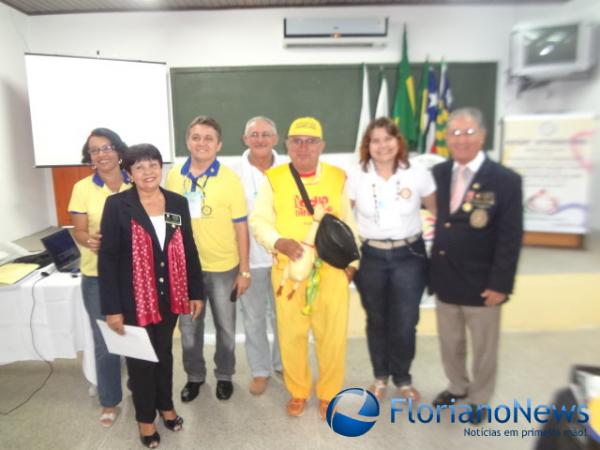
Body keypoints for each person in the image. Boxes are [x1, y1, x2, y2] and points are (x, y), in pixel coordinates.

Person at [250, 116, 360, 419]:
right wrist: (279, 242)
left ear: (322, 145)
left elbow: (349, 223)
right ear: (287, 145)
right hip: (289, 272)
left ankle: (328, 394)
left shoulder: (338, 177)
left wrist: (352, 264)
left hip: (332, 271)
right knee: (291, 334)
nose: (303, 147)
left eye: (311, 141)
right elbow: (258, 221)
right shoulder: (274, 178)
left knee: (332, 336)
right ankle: (298, 391)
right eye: (296, 140)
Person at [98, 144, 204, 448]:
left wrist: (195, 292)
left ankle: (166, 406)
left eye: (153, 165)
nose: (148, 172)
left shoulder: (177, 203)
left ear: (162, 168)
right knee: (141, 361)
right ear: (129, 172)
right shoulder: (117, 205)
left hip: (170, 295)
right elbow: (108, 259)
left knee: (164, 355)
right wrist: (113, 308)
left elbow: (189, 249)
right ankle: (146, 419)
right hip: (133, 300)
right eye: (140, 166)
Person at [429, 108, 523, 422]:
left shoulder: (505, 180)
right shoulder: (440, 173)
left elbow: (511, 237)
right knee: (450, 342)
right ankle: (457, 386)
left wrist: (501, 284)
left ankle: (480, 398)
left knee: (484, 348)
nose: (461, 139)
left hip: (484, 282)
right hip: (445, 277)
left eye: (468, 133)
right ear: (446, 139)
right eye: (454, 133)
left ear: (482, 136)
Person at [348, 117, 436, 402]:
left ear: (398, 142)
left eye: (388, 138)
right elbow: (343, 218)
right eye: (375, 140)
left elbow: (441, 213)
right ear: (367, 145)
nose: (382, 145)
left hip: (409, 256)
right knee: (377, 319)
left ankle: (403, 378)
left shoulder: (417, 173)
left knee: (406, 320)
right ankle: (380, 376)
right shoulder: (357, 175)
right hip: (370, 256)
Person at [165, 115, 250, 402]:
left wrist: (245, 270)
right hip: (185, 268)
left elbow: (241, 226)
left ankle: (224, 375)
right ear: (188, 141)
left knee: (226, 328)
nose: (202, 143)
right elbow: (169, 222)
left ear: (219, 144)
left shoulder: (230, 179)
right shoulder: (174, 175)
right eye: (196, 137)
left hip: (224, 266)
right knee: (188, 329)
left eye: (208, 138)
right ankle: (195, 376)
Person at [68, 128, 131, 427]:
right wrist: (88, 239)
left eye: (107, 147)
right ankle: (110, 400)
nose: (102, 154)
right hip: (97, 275)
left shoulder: (136, 180)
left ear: (119, 151)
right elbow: (78, 230)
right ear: (89, 157)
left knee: (137, 333)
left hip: (135, 274)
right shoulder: (82, 187)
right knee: (105, 340)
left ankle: (141, 389)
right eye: (95, 150)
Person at [231, 116, 283, 395]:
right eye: (254, 134)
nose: (260, 139)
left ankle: (283, 365)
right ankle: (260, 370)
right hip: (250, 259)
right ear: (245, 139)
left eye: (266, 134)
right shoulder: (233, 173)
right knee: (253, 319)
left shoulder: (290, 168)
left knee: (284, 317)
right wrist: (242, 265)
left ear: (275, 139)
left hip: (285, 259)